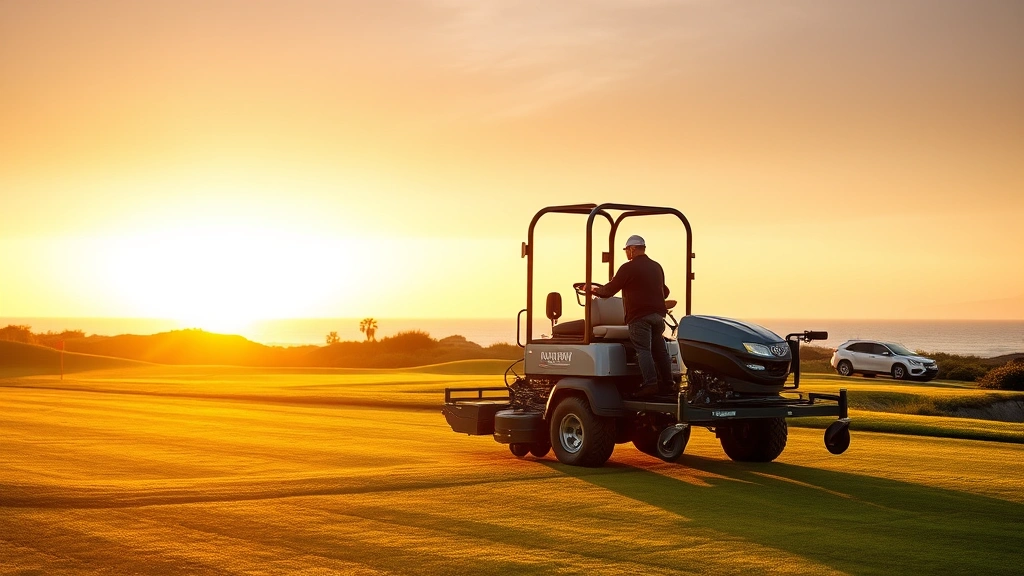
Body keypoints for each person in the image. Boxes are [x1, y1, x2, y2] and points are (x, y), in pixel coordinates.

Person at [589, 235, 672, 398]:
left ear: (633, 249)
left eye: (627, 250)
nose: (626, 253)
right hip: (658, 316)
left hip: (639, 316)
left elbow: (608, 291)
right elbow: (665, 291)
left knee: (643, 350)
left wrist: (591, 289)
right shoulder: (656, 267)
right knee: (660, 350)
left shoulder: (628, 268)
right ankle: (668, 384)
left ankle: (650, 384)